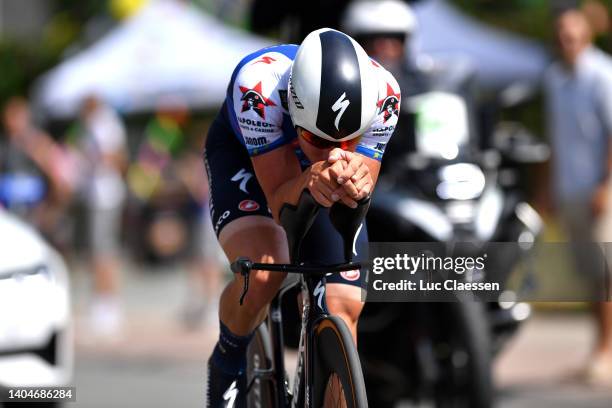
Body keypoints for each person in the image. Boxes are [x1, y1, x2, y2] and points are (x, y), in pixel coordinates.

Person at [204, 28, 401, 406]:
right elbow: (279, 202)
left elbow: (359, 196)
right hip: (248, 158)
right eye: (320, 141)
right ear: (294, 111)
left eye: (348, 142)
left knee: (344, 300)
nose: (334, 154)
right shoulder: (257, 86)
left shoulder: (385, 95)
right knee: (264, 271)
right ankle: (227, 361)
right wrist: (306, 180)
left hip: (303, 164)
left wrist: (356, 183)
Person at [544, 8, 612, 386]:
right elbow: (556, 139)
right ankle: (600, 348)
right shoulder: (554, 79)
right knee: (591, 277)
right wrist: (547, 189)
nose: (567, 40)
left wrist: (604, 185)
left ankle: (605, 352)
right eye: (562, 34)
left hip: (601, 188)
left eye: (573, 33)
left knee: (606, 274)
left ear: (587, 35)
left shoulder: (604, 75)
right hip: (570, 189)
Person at [70, 96, 128, 338]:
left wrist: (95, 159)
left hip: (105, 196)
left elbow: (116, 158)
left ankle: (107, 306)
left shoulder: (105, 125)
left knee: (103, 251)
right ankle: (102, 303)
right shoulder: (98, 125)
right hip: (97, 195)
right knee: (97, 251)